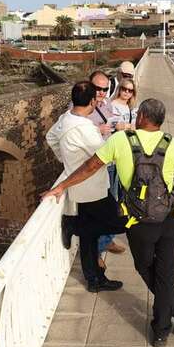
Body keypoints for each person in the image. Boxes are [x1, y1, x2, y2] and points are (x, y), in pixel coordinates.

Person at [41, 98, 174, 347]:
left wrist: (61, 186)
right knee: (165, 274)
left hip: (138, 222)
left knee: (145, 267)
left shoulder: (120, 141)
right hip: (169, 219)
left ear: (142, 116)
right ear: (161, 120)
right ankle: (162, 330)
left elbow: (90, 167)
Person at [45, 81, 127, 292]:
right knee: (120, 224)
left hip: (79, 188)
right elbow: (104, 156)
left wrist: (67, 161)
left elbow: (50, 137)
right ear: (92, 101)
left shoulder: (65, 119)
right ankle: (74, 226)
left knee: (90, 239)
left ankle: (95, 280)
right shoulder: (84, 128)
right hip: (93, 188)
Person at [87, 70, 125, 259]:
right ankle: (97, 252)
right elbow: (74, 128)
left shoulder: (107, 102)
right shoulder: (81, 105)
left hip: (112, 159)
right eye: (98, 89)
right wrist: (97, 129)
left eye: (105, 89)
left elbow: (111, 124)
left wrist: (117, 126)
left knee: (113, 201)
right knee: (102, 207)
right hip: (97, 162)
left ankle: (106, 240)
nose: (102, 92)